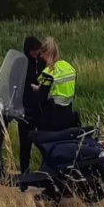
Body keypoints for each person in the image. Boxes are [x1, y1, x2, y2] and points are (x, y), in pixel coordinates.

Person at [33, 37, 77, 132]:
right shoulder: (68, 67)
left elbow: (42, 98)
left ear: (46, 53)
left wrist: (37, 90)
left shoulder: (49, 72)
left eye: (42, 55)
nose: (41, 57)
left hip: (53, 116)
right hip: (69, 114)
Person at [19, 36, 45, 173]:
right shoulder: (21, 63)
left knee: (44, 142)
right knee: (25, 144)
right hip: (25, 109)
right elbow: (14, 82)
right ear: (27, 50)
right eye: (33, 50)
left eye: (37, 49)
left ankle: (45, 171)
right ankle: (24, 173)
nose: (36, 52)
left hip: (41, 109)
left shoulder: (42, 62)